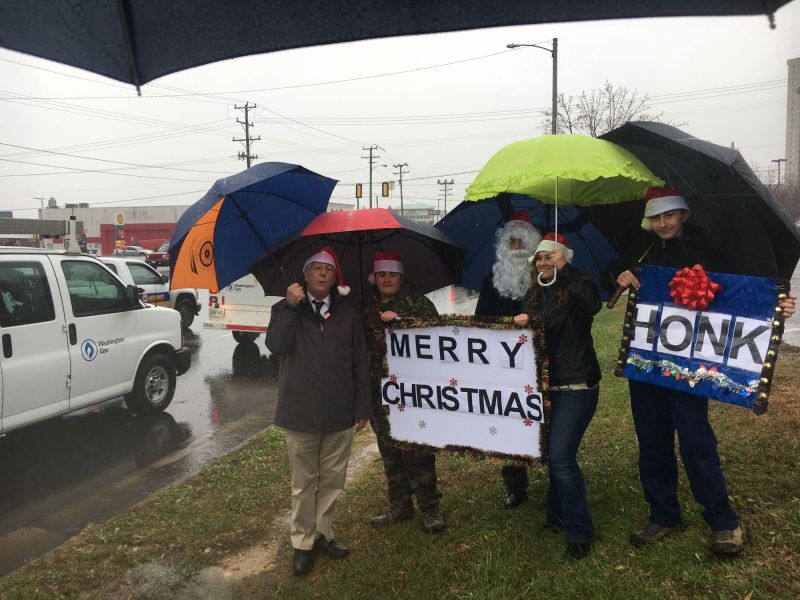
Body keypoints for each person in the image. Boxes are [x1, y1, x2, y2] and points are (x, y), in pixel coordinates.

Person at [607, 187, 797, 556]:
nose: (663, 223)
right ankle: (663, 514)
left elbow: (743, 295)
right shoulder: (640, 249)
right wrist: (619, 275)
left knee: (696, 441)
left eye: (669, 215)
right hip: (647, 365)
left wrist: (776, 306)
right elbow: (610, 276)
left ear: (683, 214)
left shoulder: (709, 251)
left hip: (690, 368)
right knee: (652, 441)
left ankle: (723, 520)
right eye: (656, 217)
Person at [265, 246, 372, 576]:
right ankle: (302, 542)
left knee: (332, 480)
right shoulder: (285, 308)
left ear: (335, 276)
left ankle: (323, 534)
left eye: (328, 269)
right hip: (300, 413)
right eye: (316, 268)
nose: (323, 273)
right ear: (305, 274)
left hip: (339, 412)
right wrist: (290, 307)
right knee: (303, 483)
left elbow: (359, 362)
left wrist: (362, 406)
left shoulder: (349, 312)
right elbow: (276, 345)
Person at [513, 233, 601, 560]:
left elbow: (592, 305)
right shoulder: (533, 295)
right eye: (539, 257)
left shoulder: (579, 284)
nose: (544, 262)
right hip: (545, 386)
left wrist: (566, 272)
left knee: (562, 456)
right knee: (554, 453)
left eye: (550, 256)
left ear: (563, 258)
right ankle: (556, 515)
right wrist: (521, 325)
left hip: (576, 385)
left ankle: (580, 532)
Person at [363, 251, 445, 533]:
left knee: (418, 452)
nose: (387, 279)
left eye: (392, 275)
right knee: (390, 452)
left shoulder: (418, 303)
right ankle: (400, 505)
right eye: (382, 274)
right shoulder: (364, 305)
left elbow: (437, 337)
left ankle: (430, 508)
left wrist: (403, 323)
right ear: (374, 277)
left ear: (401, 277)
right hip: (379, 392)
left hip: (412, 395)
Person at [475, 210, 542, 508]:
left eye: (522, 241)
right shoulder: (492, 278)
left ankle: (557, 474)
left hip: (541, 361)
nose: (516, 247)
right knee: (509, 421)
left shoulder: (545, 277)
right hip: (503, 364)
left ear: (533, 244)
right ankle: (515, 484)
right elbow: (480, 320)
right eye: (511, 241)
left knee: (544, 419)